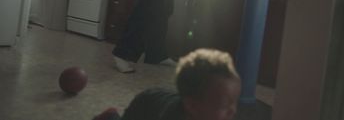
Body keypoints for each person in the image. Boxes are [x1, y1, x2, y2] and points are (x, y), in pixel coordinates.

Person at [94, 49, 241, 120]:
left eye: (234, 102)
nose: (233, 111)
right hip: (143, 109)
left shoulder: (210, 114)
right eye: (224, 105)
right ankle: (110, 116)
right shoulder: (171, 116)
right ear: (192, 106)